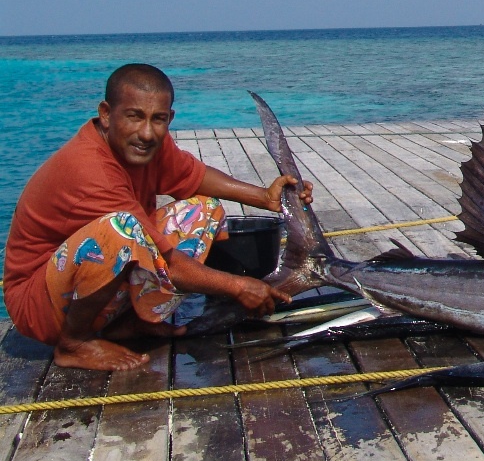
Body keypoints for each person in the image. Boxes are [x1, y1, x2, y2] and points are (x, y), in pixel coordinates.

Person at [3, 63, 314, 370]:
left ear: (170, 118)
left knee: (203, 209)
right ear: (106, 113)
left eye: (158, 119)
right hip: (40, 302)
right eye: (134, 117)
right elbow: (166, 261)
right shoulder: (88, 169)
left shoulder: (148, 142)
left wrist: (264, 196)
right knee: (121, 230)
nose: (147, 133)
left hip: (86, 282)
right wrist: (238, 286)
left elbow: (192, 176)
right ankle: (74, 344)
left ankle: (128, 322)